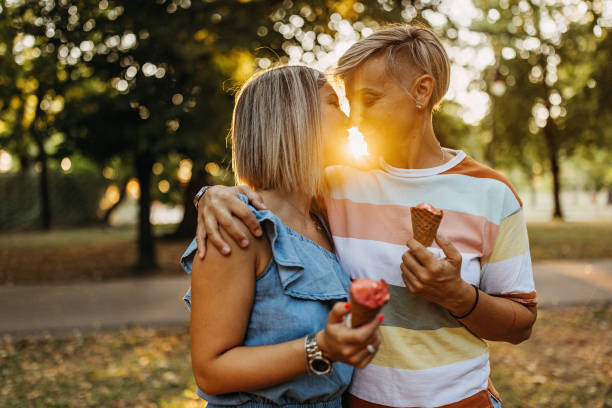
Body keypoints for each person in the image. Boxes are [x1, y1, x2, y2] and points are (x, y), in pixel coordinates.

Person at [194, 25, 538, 408]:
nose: (354, 119)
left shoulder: (493, 194)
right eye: (344, 103)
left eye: (369, 99)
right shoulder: (337, 187)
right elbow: (273, 195)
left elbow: (522, 322)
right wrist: (211, 194)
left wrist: (458, 296)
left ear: (421, 91)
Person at [180, 65, 384, 408]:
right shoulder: (237, 228)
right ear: (295, 117)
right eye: (333, 103)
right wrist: (321, 347)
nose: (349, 119)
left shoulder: (330, 219)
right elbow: (211, 371)